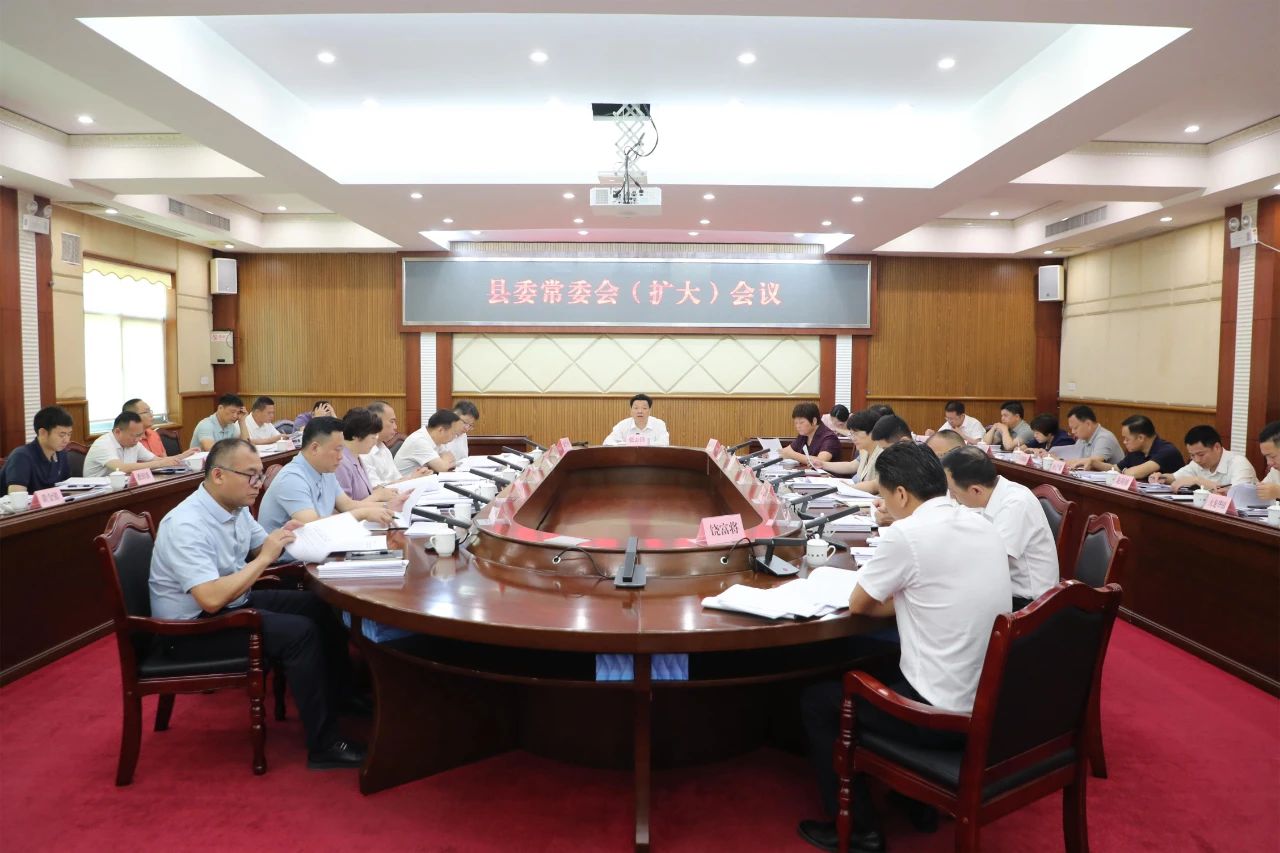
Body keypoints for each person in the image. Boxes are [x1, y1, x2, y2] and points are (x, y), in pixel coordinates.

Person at [798, 442, 1010, 853]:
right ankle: (917, 801)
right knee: (885, 661)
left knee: (818, 701)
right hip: (992, 701)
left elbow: (860, 605)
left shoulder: (907, 534)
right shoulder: (981, 522)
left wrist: (902, 597)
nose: (882, 505)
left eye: (882, 495)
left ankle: (860, 830)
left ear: (900, 493)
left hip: (939, 714)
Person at [147, 438, 366, 769]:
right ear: (218, 475)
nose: (258, 483)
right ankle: (324, 745)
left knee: (320, 606)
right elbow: (210, 598)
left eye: (260, 474)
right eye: (250, 475)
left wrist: (286, 536)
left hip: (232, 602)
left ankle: (341, 695)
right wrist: (265, 557)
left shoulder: (233, 508)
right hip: (191, 631)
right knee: (300, 633)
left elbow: (263, 547)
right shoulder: (186, 524)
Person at [942, 446, 1058, 610]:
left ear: (976, 490)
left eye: (952, 491)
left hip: (1029, 605)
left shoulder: (1016, 504)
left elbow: (990, 561)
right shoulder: (988, 494)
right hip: (1000, 589)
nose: (952, 497)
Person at [257, 416, 397, 537]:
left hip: (317, 548)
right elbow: (312, 526)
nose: (341, 457)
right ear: (315, 448)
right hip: (289, 558)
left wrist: (387, 506)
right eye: (337, 450)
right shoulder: (291, 479)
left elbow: (348, 505)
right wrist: (363, 514)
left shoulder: (325, 470)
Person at [1150, 425, 1258, 493]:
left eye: (1201, 454)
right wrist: (1161, 477)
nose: (1197, 460)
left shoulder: (1239, 463)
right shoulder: (1196, 463)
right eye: (1192, 455)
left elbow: (1237, 495)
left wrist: (1197, 480)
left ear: (1217, 447)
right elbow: (1175, 478)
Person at [84, 411, 189, 477]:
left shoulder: (134, 443)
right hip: (94, 495)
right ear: (117, 431)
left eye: (140, 434)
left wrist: (183, 456)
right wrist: (160, 464)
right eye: (135, 435)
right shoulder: (103, 444)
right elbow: (121, 468)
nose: (139, 439)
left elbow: (157, 460)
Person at [1, 406, 73, 494]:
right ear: (42, 432)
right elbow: (16, 496)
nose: (66, 440)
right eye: (62, 435)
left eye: (69, 434)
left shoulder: (61, 454)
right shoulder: (21, 456)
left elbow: (67, 489)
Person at [1084, 414, 1183, 479]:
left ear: (1140, 438)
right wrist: (1095, 463)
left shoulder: (1167, 451)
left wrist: (1124, 471)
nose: (1124, 442)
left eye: (1127, 439)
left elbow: (1134, 473)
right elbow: (1116, 468)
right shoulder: (1136, 450)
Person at [335, 407, 399, 502]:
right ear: (356, 435)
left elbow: (367, 495)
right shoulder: (341, 462)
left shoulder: (357, 457)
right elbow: (345, 507)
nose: (375, 441)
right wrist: (378, 496)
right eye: (373, 437)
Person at [361, 401, 431, 488]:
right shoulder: (363, 453)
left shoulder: (383, 448)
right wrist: (412, 479)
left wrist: (414, 476)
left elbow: (397, 480)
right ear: (375, 421)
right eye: (392, 422)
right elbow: (375, 489)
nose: (395, 427)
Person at [817, 410, 879, 482]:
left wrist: (844, 484)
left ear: (872, 432)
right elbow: (852, 466)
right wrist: (822, 464)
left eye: (856, 434)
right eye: (851, 434)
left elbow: (875, 485)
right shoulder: (864, 450)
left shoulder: (883, 454)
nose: (853, 438)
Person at [394, 409, 461, 476]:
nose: (455, 437)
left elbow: (452, 460)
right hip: (405, 481)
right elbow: (442, 468)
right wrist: (444, 463)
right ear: (441, 430)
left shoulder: (437, 439)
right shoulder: (419, 440)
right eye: (453, 433)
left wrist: (444, 463)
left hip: (421, 480)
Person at [602, 393, 670, 446]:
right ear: (631, 410)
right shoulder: (622, 425)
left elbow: (664, 443)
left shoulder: (659, 424)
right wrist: (625, 445)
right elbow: (607, 442)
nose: (640, 411)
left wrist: (643, 444)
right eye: (636, 408)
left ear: (650, 410)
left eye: (644, 408)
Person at [1257, 421, 1280, 501]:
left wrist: (1278, 492)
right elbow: (1259, 493)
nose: (1268, 463)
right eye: (1266, 457)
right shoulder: (1275, 470)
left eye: (1272, 456)